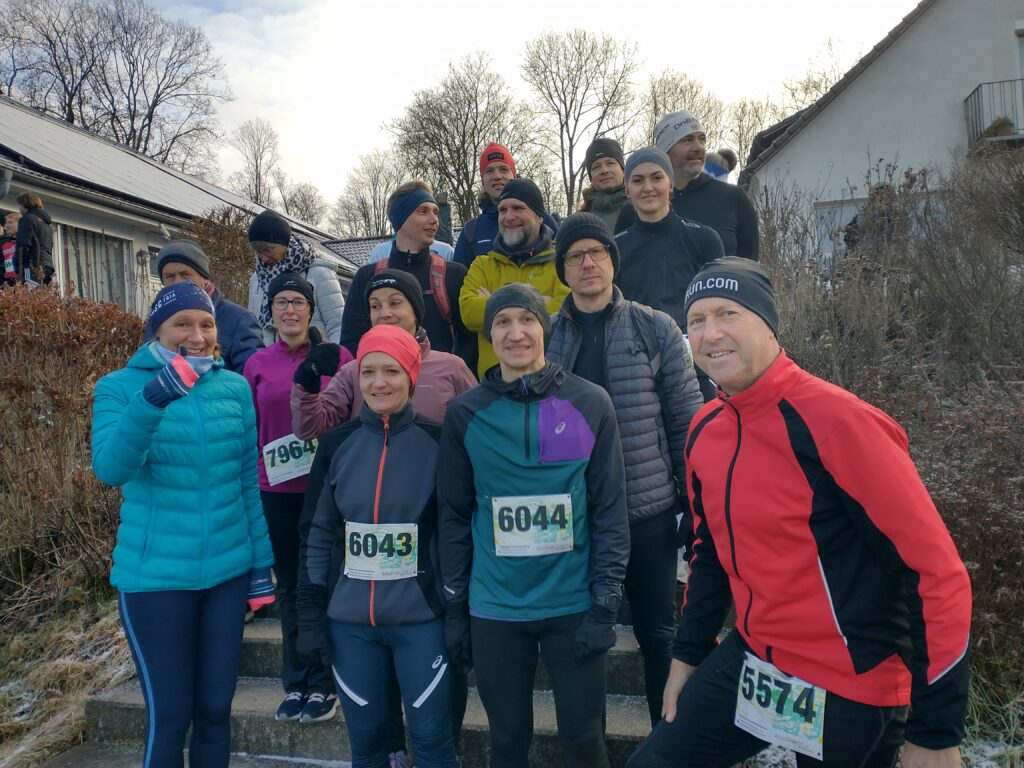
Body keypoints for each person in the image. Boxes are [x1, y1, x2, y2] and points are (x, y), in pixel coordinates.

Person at [625, 258, 972, 768]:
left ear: (768, 323)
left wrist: (937, 733)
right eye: (696, 320)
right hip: (757, 659)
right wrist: (687, 655)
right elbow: (710, 552)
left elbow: (936, 574)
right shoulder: (705, 430)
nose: (711, 333)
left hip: (851, 679)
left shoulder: (839, 422)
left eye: (728, 313)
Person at [439, 283, 630, 768]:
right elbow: (455, 516)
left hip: (573, 604)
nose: (516, 333)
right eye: (502, 322)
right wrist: (455, 609)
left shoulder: (589, 402)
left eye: (526, 320)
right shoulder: (465, 413)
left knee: (584, 739)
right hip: (496, 608)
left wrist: (606, 603)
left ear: (544, 329)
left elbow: (609, 511)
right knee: (507, 740)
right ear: (490, 333)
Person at [91, 281, 275, 768]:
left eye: (207, 324)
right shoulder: (118, 387)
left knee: (215, 712)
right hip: (156, 580)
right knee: (171, 716)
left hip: (226, 577)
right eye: (182, 324)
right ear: (157, 331)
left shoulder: (234, 388)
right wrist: (153, 399)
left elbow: (246, 483)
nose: (197, 336)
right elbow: (111, 469)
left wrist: (260, 565)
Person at [546, 212, 703, 726]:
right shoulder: (546, 336)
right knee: (582, 634)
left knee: (659, 634)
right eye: (575, 256)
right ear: (563, 269)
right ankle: (588, 745)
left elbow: (686, 424)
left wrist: (692, 504)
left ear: (613, 261)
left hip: (646, 511)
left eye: (597, 252)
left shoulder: (655, 328)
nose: (587, 263)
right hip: (575, 518)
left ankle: (666, 744)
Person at [298, 324, 459, 768]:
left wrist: (457, 611)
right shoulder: (336, 444)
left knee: (432, 745)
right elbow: (316, 534)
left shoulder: (440, 442)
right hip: (350, 625)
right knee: (367, 747)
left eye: (391, 371)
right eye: (368, 372)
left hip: (420, 621)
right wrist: (309, 617)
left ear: (411, 376)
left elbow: (456, 533)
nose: (379, 383)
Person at [243, 272, 352, 723]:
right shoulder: (256, 364)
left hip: (326, 488)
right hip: (276, 489)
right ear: (270, 311)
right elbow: (249, 429)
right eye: (281, 302)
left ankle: (326, 682)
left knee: (322, 583)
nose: (290, 310)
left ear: (311, 309)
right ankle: (297, 681)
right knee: (289, 585)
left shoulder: (337, 357)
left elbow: (350, 416)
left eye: (298, 302)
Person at [293, 268, 476, 437]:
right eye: (375, 306)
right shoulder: (353, 372)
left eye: (395, 303)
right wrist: (307, 378)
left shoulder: (451, 367)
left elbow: (479, 428)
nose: (384, 313)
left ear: (415, 310)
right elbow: (310, 429)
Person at [615, 147, 724, 401]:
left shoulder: (704, 239)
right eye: (638, 180)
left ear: (670, 184)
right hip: (637, 370)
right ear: (627, 189)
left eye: (657, 177)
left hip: (697, 367)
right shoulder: (614, 248)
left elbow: (720, 306)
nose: (648, 187)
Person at [341, 182, 475, 372]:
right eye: (423, 211)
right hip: (383, 387)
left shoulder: (453, 275)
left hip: (443, 388)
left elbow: (471, 344)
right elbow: (351, 344)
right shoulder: (367, 277)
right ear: (400, 219)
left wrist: (446, 380)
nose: (434, 220)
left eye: (435, 212)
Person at [458, 178, 570, 377]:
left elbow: (566, 312)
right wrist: (539, 302)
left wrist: (493, 302)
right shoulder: (482, 264)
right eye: (503, 210)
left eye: (518, 208)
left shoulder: (561, 263)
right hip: (495, 386)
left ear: (539, 216)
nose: (508, 217)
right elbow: (469, 313)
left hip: (550, 384)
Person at [615, 110, 759, 259]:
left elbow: (750, 267)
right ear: (666, 150)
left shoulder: (734, 199)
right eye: (687, 140)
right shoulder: (635, 209)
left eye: (701, 139)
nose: (698, 147)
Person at [147, 239, 263, 374]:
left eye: (185, 274)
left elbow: (253, 376)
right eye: (170, 276)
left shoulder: (240, 320)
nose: (178, 282)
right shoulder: (159, 319)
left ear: (204, 278)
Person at [452, 142, 560, 268]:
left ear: (514, 175)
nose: (497, 176)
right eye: (489, 171)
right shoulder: (471, 232)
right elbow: (461, 278)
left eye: (503, 169)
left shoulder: (543, 220)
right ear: (482, 180)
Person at [248, 208, 346, 343]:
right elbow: (253, 327)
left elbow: (338, 325)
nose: (263, 258)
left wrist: (332, 353)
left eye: (268, 250)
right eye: (259, 252)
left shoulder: (319, 274)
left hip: (315, 355)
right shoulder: (257, 279)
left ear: (284, 244)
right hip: (271, 355)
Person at [577, 138, 627, 233]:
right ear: (591, 177)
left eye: (610, 163)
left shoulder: (642, 209)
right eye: (596, 167)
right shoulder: (581, 221)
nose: (604, 170)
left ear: (623, 170)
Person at [15, 192, 54, 284]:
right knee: (41, 292)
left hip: (32, 265)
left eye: (19, 205)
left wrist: (17, 266)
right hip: (48, 265)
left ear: (24, 204)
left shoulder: (27, 219)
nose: (19, 208)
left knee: (29, 291)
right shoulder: (47, 225)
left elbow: (23, 245)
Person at [2, 212, 19, 287]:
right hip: (8, 282)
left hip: (22, 281)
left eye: (10, 222)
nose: (7, 225)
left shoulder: (25, 242)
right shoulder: (4, 244)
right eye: (6, 223)